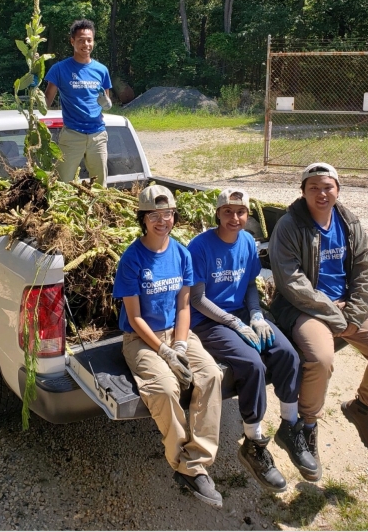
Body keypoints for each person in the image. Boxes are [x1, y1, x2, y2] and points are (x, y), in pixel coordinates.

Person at [187, 188, 319, 492]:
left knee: (287, 354)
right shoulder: (200, 247)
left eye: (241, 212)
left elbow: (248, 284)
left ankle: (289, 426)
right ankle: (254, 442)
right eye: (228, 212)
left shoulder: (247, 241)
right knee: (251, 364)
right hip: (209, 321)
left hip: (243, 314)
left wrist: (257, 314)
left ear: (248, 215)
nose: (235, 218)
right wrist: (234, 322)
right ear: (217, 214)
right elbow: (197, 298)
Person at [269, 162, 368, 477]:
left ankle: (364, 409)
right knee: (321, 358)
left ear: (338, 189)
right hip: (302, 307)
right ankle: (304, 428)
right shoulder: (289, 225)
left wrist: (354, 311)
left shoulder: (349, 222)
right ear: (303, 192)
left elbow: (365, 271)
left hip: (345, 307)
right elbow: (291, 282)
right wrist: (335, 315)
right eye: (314, 188)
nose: (322, 194)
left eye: (328, 187)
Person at [112, 185, 224, 507]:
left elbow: (184, 306)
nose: (162, 221)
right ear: (143, 219)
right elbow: (134, 318)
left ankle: (197, 463)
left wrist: (180, 345)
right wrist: (163, 352)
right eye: (154, 215)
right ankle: (183, 464)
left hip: (178, 333)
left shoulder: (182, 254)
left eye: (168, 214)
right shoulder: (132, 259)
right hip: (142, 339)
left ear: (174, 216)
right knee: (162, 389)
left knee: (211, 376)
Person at [44, 18, 112, 186]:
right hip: (72, 135)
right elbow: (46, 101)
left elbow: (106, 102)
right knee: (63, 184)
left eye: (89, 40)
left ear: (93, 41)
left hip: (97, 135)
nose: (86, 44)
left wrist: (105, 101)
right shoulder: (59, 69)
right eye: (81, 40)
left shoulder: (102, 70)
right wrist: (33, 90)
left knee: (100, 186)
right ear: (72, 41)